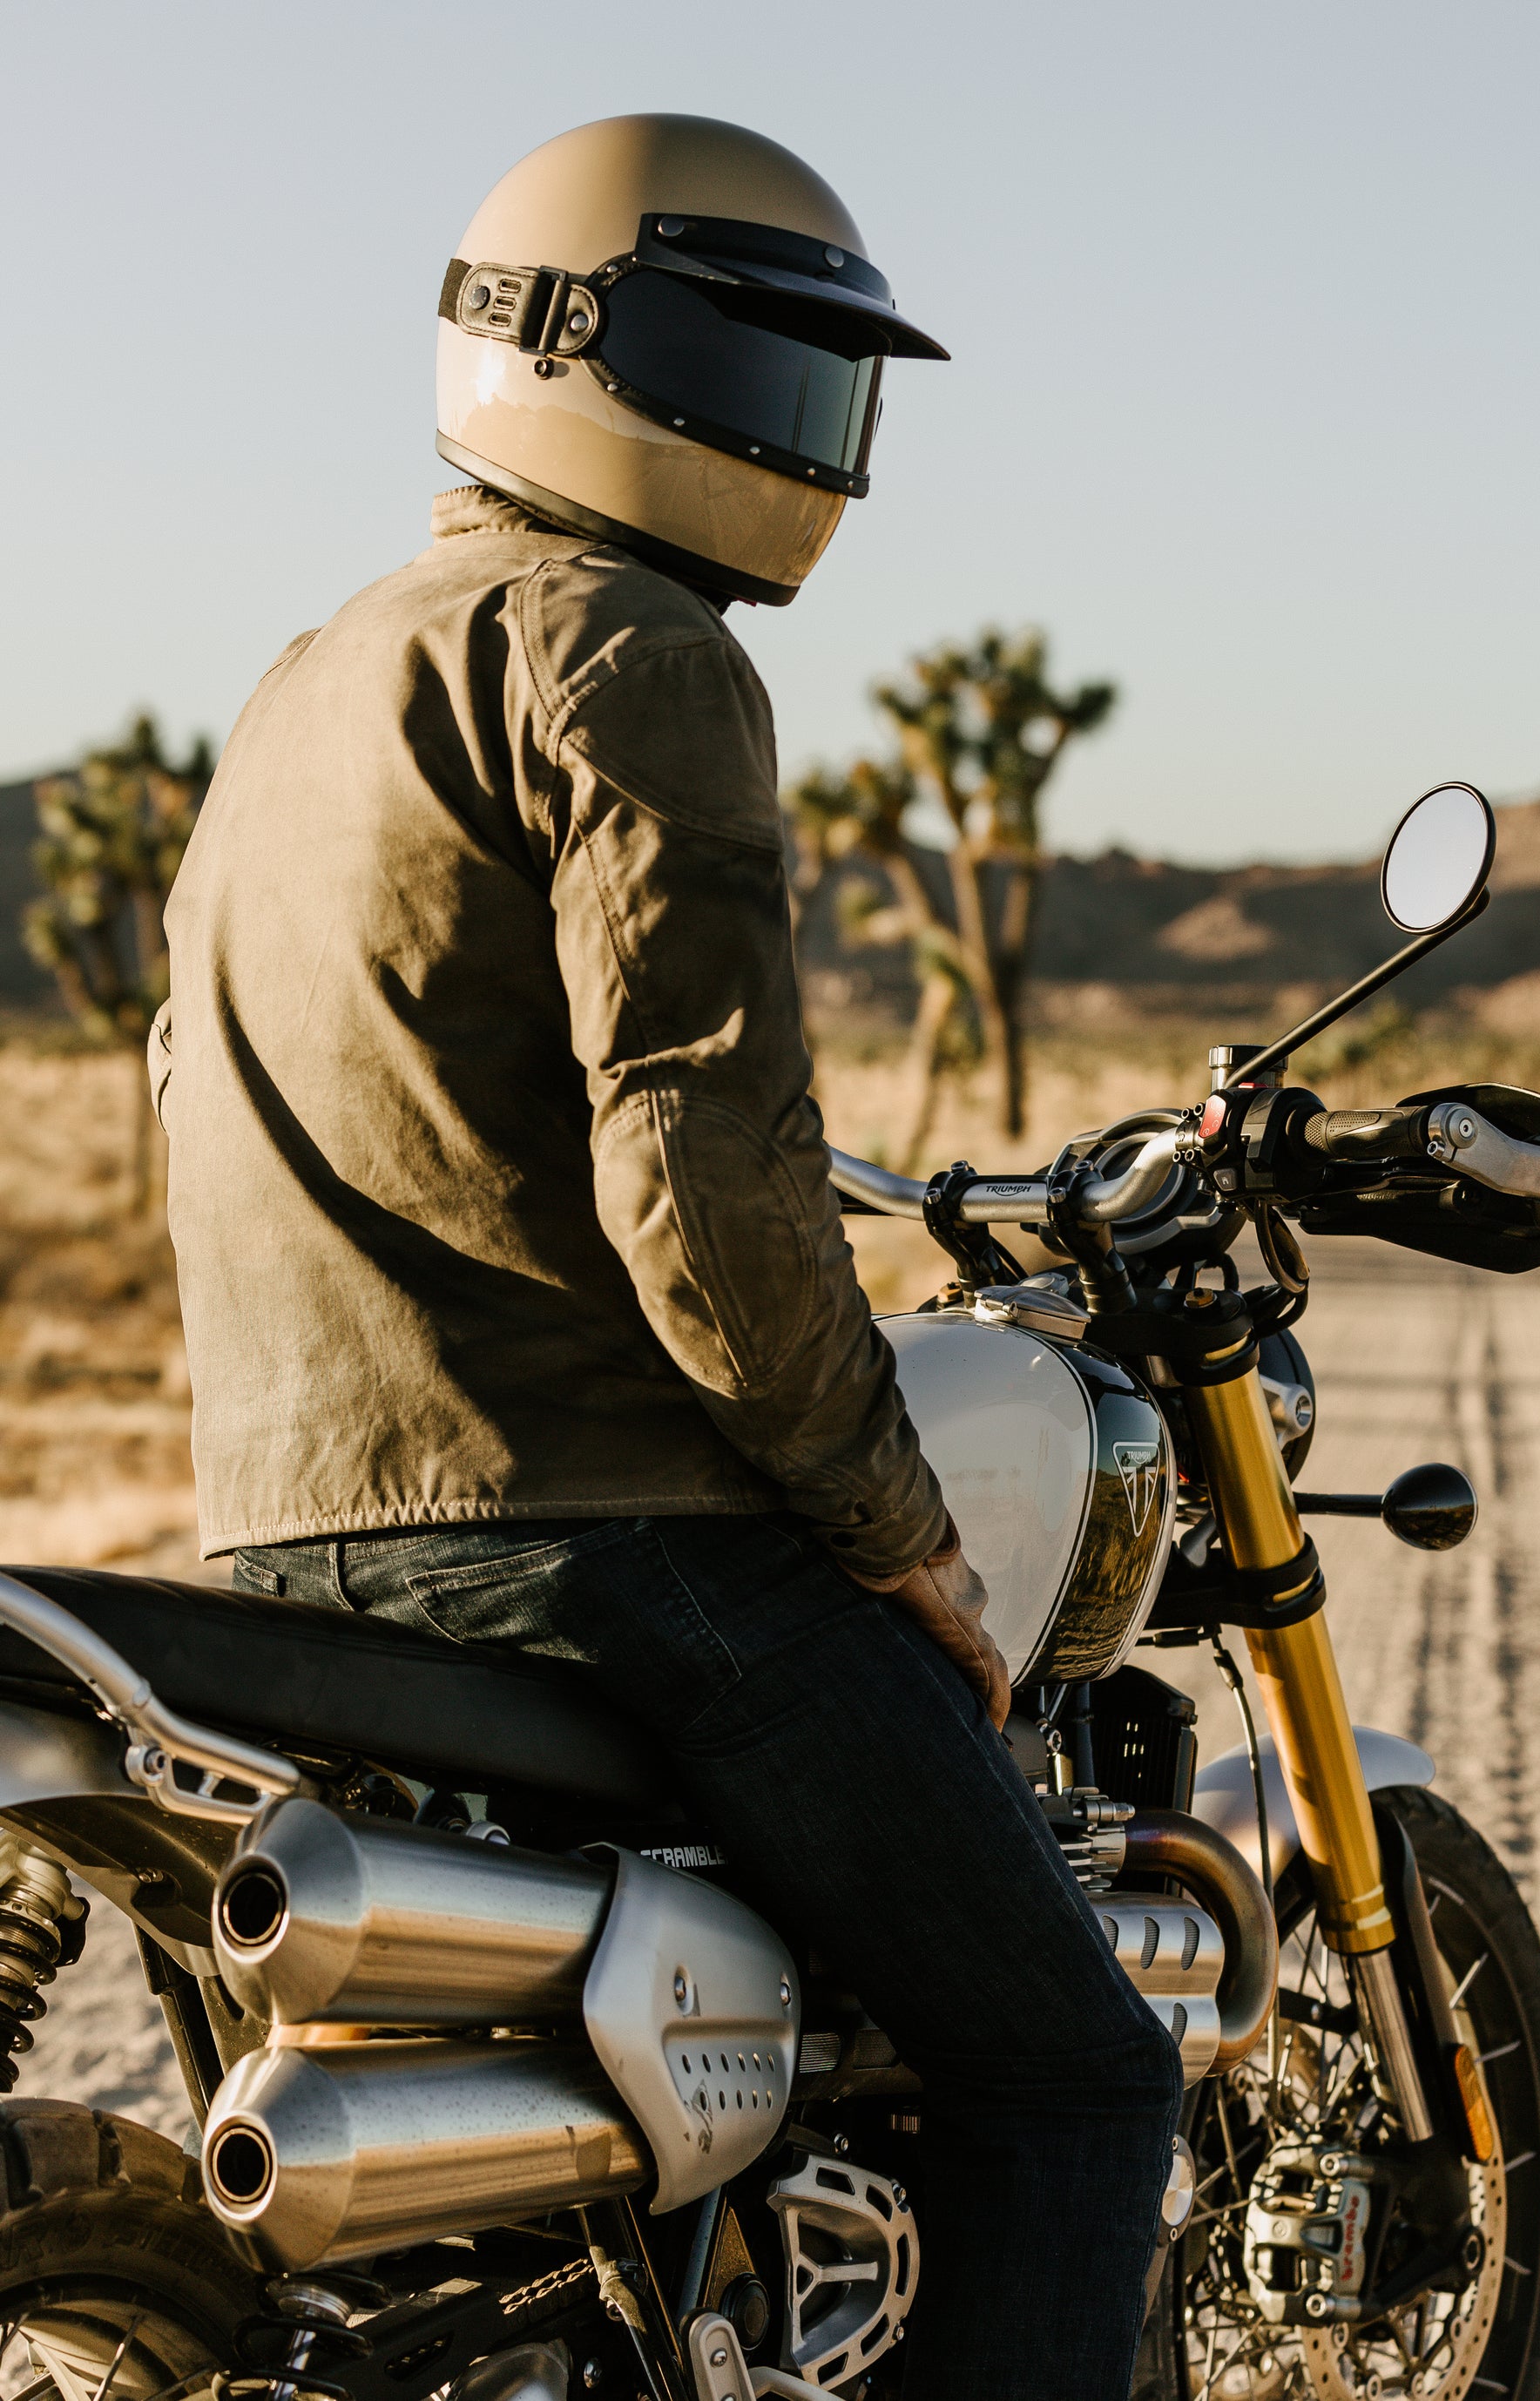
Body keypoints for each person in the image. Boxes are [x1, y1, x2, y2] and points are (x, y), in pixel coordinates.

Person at [152, 115, 1181, 2398]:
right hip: (599, 1535)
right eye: (777, 375)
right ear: (595, 351)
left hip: (284, 1526)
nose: (819, 455)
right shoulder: (625, 650)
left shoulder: (301, 685)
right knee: (1071, 2075)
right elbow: (701, 1188)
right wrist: (895, 1527)